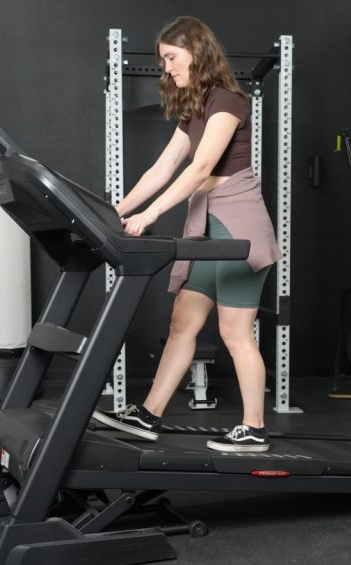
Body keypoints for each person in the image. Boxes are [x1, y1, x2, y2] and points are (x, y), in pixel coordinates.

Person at [93, 16, 281, 453]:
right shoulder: (193, 109)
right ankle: (148, 413)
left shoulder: (229, 101)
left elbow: (199, 169)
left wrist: (151, 214)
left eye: (172, 58)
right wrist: (114, 211)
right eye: (164, 62)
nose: (168, 69)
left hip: (237, 229)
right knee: (183, 323)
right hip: (203, 231)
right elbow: (162, 168)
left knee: (235, 332)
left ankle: (253, 427)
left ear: (197, 51)